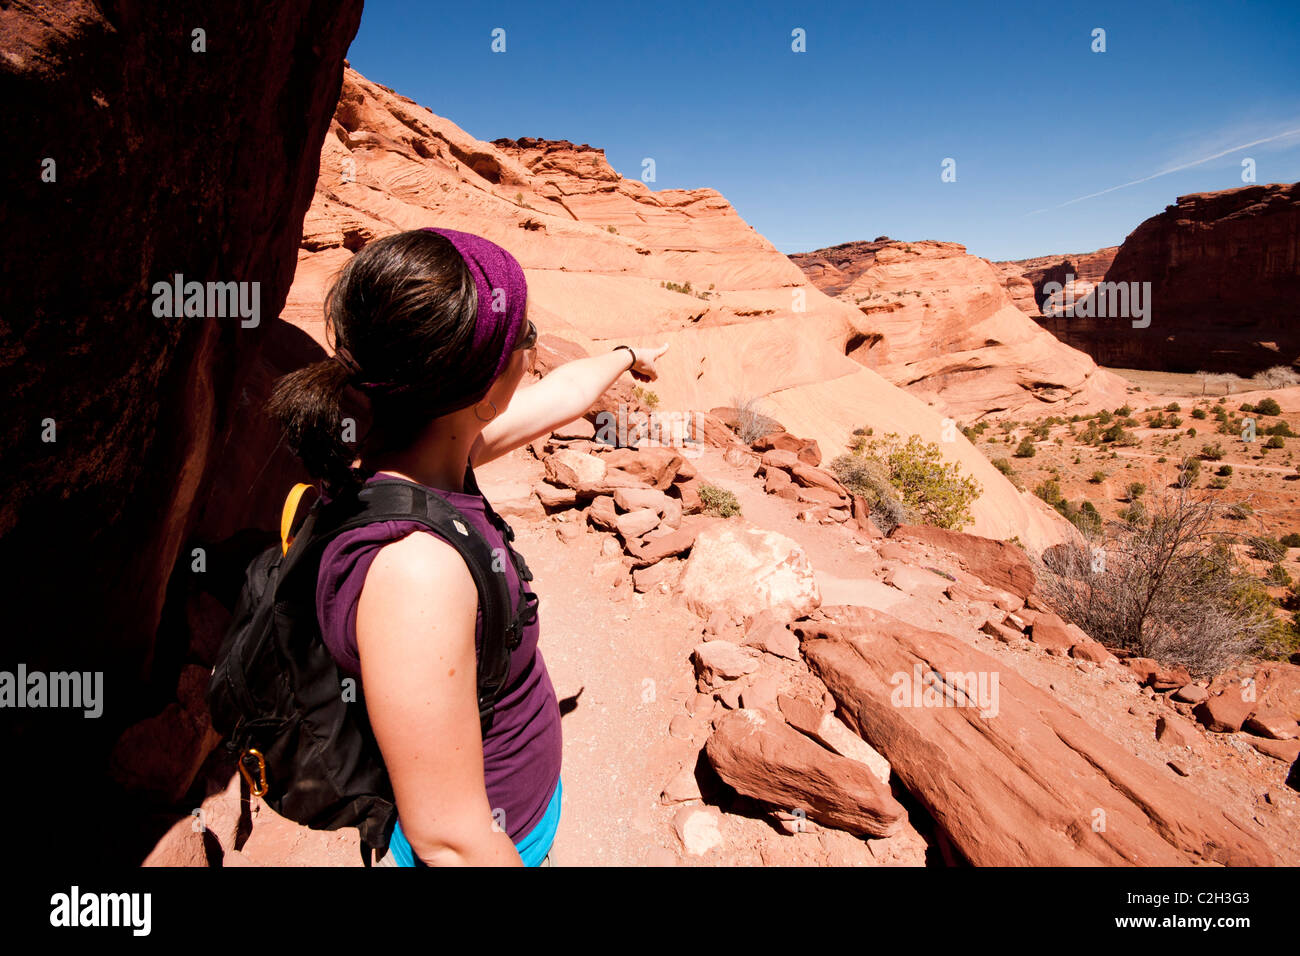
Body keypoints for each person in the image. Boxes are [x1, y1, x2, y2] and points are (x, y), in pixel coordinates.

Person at [266, 227, 668, 866]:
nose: (531, 351)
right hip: (505, 836)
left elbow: (561, 396)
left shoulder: (411, 448)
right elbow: (450, 841)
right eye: (524, 339)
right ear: (484, 388)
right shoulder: (416, 569)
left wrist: (625, 353)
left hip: (517, 803)